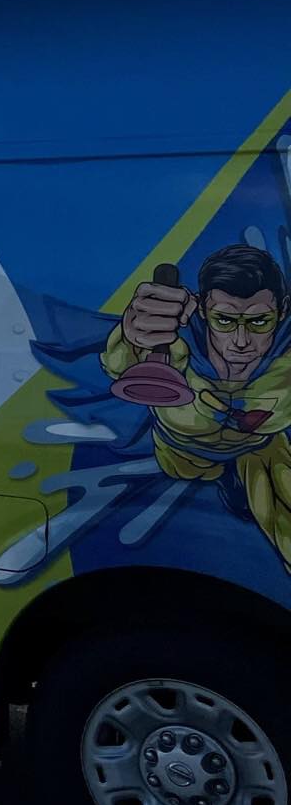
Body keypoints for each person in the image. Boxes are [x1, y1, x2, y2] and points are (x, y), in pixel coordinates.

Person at [106, 244, 291, 574]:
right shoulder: (174, 344)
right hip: (181, 455)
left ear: (282, 311)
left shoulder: (285, 361)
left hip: (259, 452)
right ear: (204, 311)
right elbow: (123, 364)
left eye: (260, 321)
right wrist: (133, 333)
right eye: (224, 320)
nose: (240, 341)